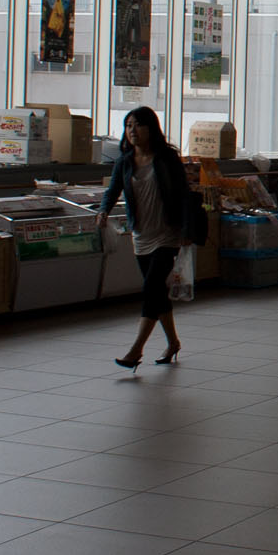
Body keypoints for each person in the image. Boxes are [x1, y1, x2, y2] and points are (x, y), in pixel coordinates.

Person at [97, 107, 195, 370]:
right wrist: (104, 211)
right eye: (128, 125)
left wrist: (186, 230)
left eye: (138, 125)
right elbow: (112, 190)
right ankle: (173, 343)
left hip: (167, 233)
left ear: (151, 128)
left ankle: (136, 350)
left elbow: (184, 194)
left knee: (151, 287)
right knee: (157, 292)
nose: (132, 131)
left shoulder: (166, 159)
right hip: (141, 234)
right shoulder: (124, 161)